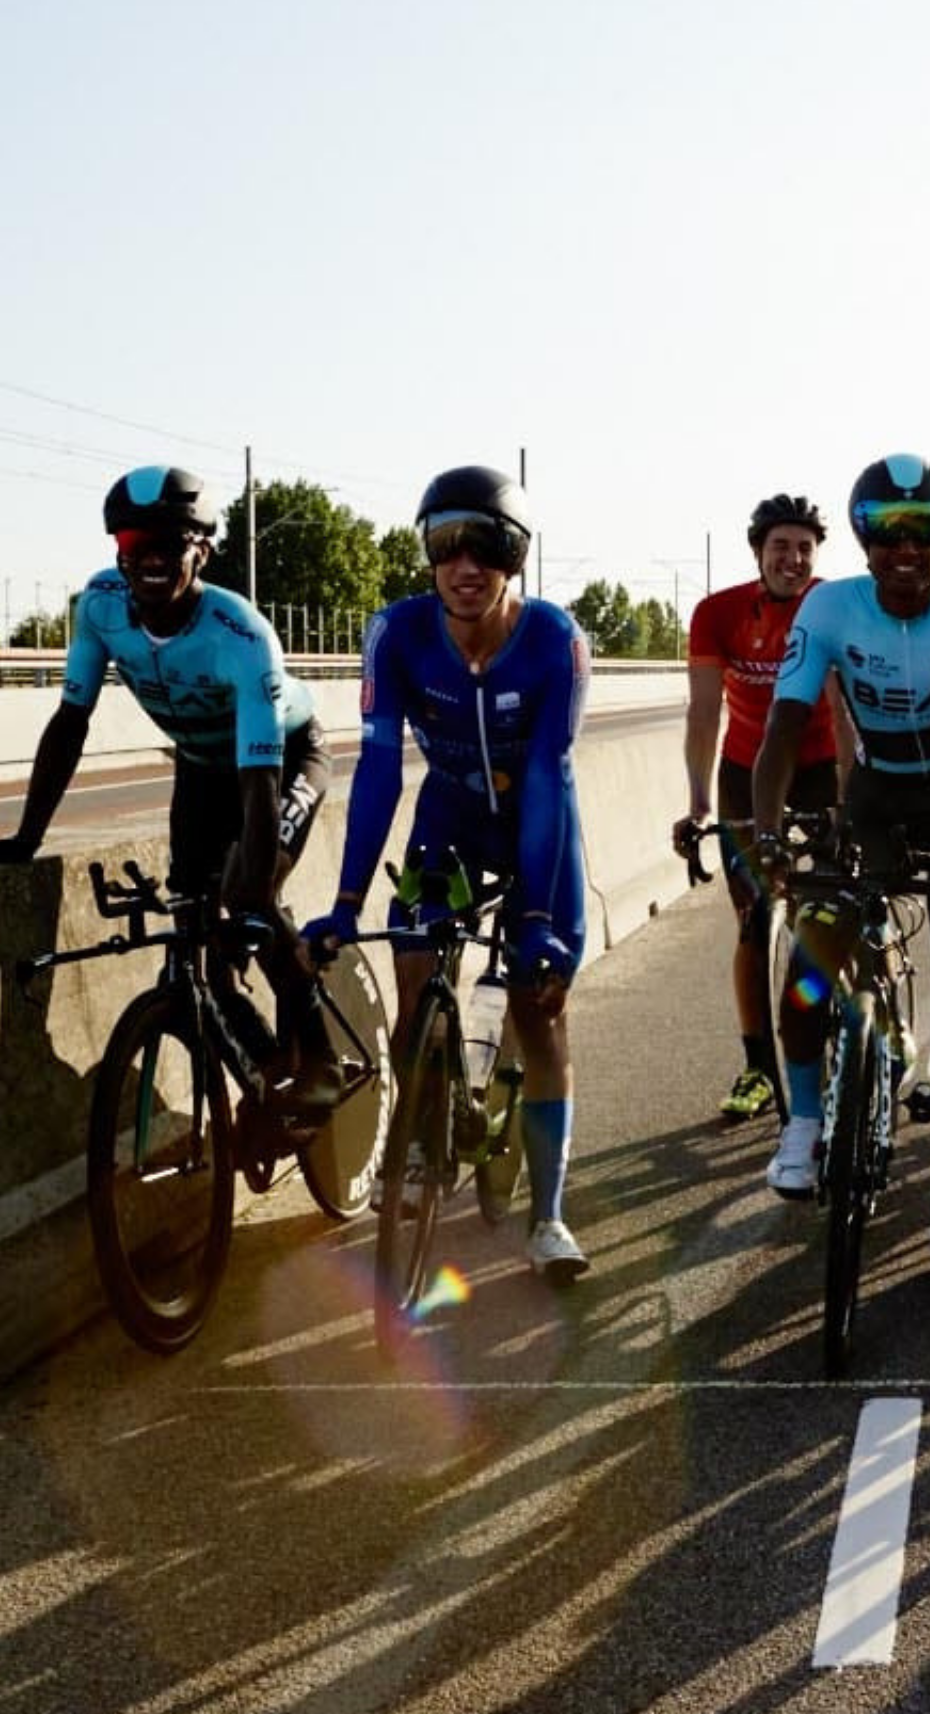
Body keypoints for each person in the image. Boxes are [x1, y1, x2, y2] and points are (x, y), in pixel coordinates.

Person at [0, 465, 338, 1120]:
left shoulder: (243, 637)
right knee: (194, 920)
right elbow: (69, 723)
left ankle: (319, 1059)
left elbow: (258, 779)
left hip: (282, 759)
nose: (147, 558)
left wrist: (252, 884)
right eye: (131, 543)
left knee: (247, 895)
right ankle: (262, 1068)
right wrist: (22, 840)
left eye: (168, 544)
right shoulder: (100, 608)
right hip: (203, 763)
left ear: (201, 550)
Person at [298, 466, 596, 1285]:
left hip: (537, 824)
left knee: (540, 1011)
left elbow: (547, 778)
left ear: (517, 559)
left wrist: (536, 915)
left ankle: (549, 1217)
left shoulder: (554, 641)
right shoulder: (396, 634)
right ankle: (427, 1129)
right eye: (445, 545)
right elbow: (382, 772)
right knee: (415, 964)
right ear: (427, 552)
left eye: (488, 547)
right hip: (452, 820)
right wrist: (347, 900)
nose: (465, 566)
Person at [749, 454, 930, 1285]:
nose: (905, 548)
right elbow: (783, 727)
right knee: (814, 951)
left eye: (923, 530)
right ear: (863, 539)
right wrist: (765, 834)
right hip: (869, 807)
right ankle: (802, 1123)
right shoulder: (830, 605)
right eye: (885, 531)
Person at [675, 493, 846, 1126]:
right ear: (759, 553)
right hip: (746, 771)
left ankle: (860, 1034)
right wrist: (696, 803)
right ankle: (756, 1067)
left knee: (832, 911)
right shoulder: (717, 614)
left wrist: (849, 801)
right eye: (781, 547)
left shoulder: (832, 605)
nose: (794, 559)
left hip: (819, 762)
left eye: (805, 548)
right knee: (753, 919)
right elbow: (702, 713)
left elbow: (843, 704)